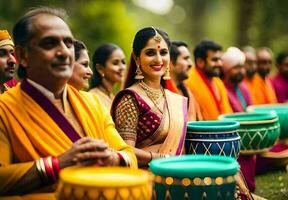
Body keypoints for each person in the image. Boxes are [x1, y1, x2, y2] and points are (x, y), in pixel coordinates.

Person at [0, 7, 136, 198]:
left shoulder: (92, 103)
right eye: (49, 44)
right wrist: (58, 164)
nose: (64, 52)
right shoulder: (4, 109)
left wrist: (113, 159)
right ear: (23, 56)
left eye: (68, 43)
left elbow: (128, 155)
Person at [111, 27, 188, 167]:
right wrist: (159, 158)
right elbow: (124, 151)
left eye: (163, 52)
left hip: (176, 174)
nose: (158, 59)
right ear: (137, 58)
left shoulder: (173, 98)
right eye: (150, 53)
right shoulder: (130, 99)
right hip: (144, 179)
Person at [222, 47, 257, 194]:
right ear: (227, 69)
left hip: (249, 142)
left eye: (242, 66)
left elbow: (251, 111)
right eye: (236, 67)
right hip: (233, 142)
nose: (241, 71)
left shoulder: (244, 87)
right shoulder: (222, 88)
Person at [185, 40, 232, 120]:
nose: (220, 64)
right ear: (200, 62)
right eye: (214, 60)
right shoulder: (188, 83)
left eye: (220, 59)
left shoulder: (218, 81)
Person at [165, 41, 202, 121]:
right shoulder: (162, 93)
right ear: (170, 63)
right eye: (186, 58)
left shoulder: (187, 91)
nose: (191, 64)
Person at [89, 43, 126, 108]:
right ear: (100, 68)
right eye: (115, 63)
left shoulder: (114, 98)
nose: (122, 67)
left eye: (123, 62)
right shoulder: (92, 97)